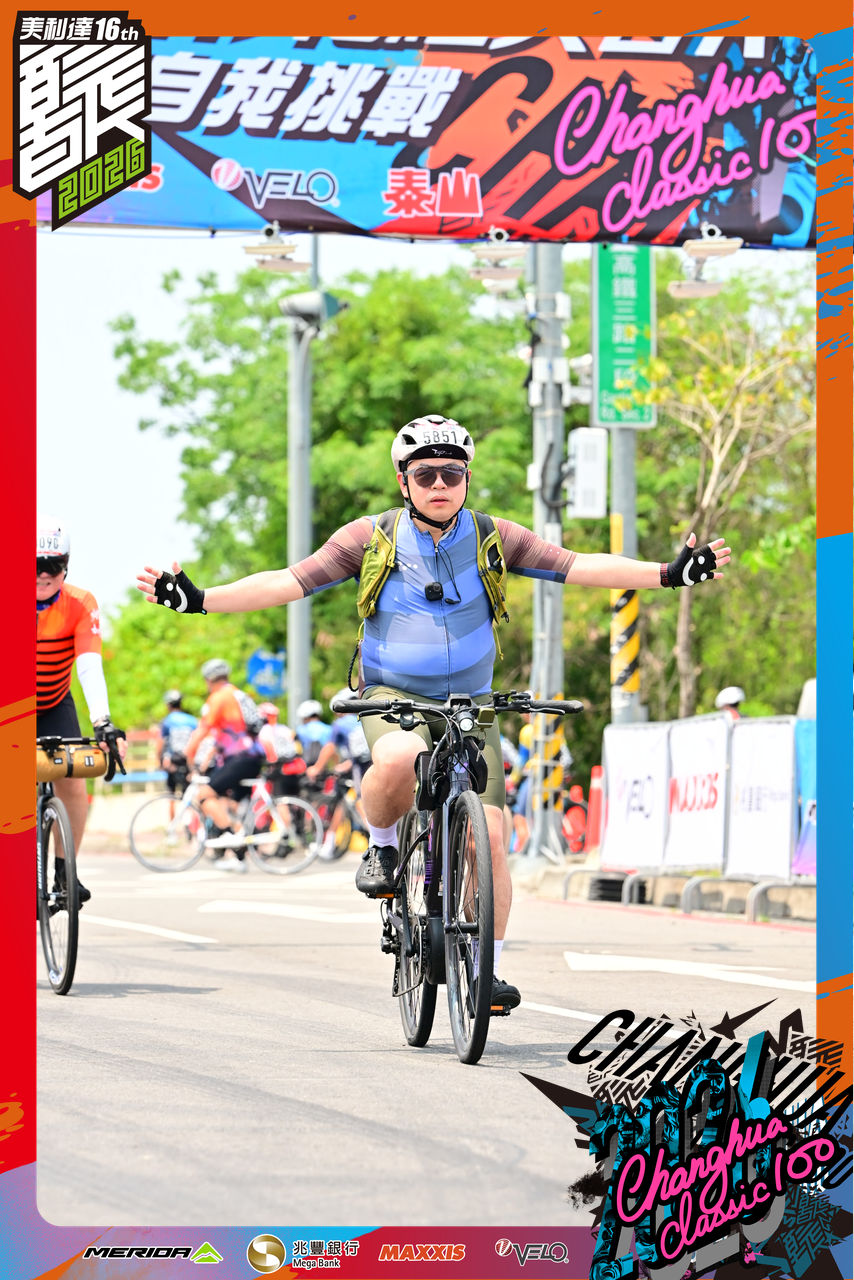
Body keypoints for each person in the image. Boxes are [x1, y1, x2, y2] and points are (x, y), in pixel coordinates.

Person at [136, 413, 730, 1010]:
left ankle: (487, 969)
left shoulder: (495, 536)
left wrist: (668, 574)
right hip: (391, 695)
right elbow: (288, 582)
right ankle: (383, 845)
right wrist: (200, 599)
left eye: (452, 473)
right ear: (404, 481)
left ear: (467, 478)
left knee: (491, 838)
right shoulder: (370, 537)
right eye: (426, 475)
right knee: (400, 758)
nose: (440, 484)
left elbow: (579, 565)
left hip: (471, 704)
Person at [37, 515, 127, 904]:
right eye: (35, 565)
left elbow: (89, 665)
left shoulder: (80, 603)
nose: (43, 574)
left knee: (72, 780)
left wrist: (102, 722)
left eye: (53, 565)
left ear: (66, 565)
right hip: (12, 706)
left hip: (55, 702)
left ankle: (64, 872)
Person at [182, 658, 266, 867]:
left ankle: (234, 839)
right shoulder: (238, 694)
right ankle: (239, 857)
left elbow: (204, 729)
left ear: (209, 680)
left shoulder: (219, 697)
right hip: (252, 756)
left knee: (204, 795)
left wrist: (188, 753)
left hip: (240, 758)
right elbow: (222, 738)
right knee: (228, 802)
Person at [156, 690, 198, 795]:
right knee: (188, 791)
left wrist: (159, 760)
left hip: (173, 759)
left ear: (168, 705)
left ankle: (173, 806)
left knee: (171, 791)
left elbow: (160, 743)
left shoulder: (166, 721)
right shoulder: (192, 720)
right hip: (189, 758)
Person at [294, 698, 333, 766]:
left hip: (306, 767)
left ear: (304, 717)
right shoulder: (329, 729)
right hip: (325, 767)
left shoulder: (300, 730)